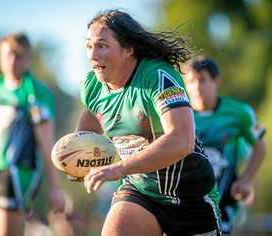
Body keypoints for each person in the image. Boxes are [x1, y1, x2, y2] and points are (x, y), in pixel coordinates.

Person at [77, 9, 222, 236]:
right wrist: (78, 158)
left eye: (102, 45)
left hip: (190, 195)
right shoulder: (93, 87)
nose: (93, 55)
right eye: (89, 46)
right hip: (141, 191)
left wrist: (119, 168)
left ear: (128, 49)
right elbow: (87, 131)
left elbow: (182, 140)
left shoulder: (158, 77)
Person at [0, 33, 75, 236]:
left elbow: (47, 143)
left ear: (28, 58)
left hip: (18, 172)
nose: (12, 60)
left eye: (18, 55)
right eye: (8, 54)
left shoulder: (35, 92)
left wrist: (55, 188)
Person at [183, 56, 266, 234]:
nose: (196, 87)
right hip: (186, 196)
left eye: (202, 80)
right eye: (190, 81)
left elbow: (260, 147)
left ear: (217, 81)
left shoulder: (240, 112)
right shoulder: (178, 116)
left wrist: (246, 179)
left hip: (225, 196)